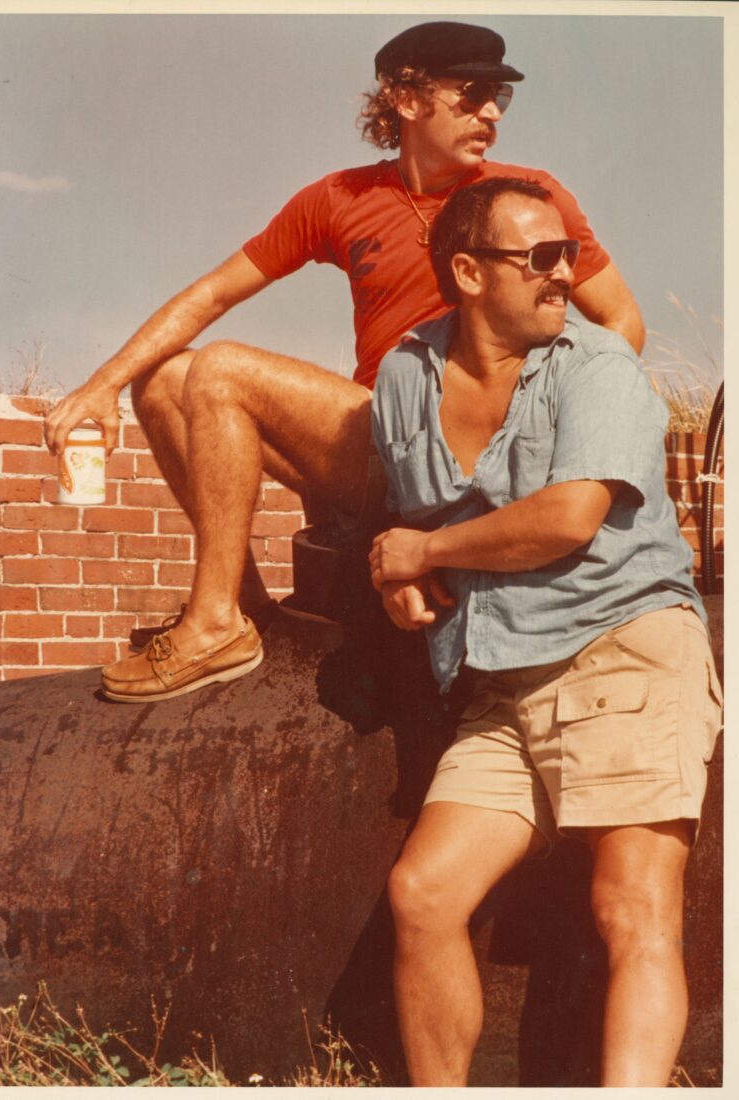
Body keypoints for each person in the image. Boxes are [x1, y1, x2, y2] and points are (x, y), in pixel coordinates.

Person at [43, 21, 644, 702]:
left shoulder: (527, 201)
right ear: (408, 98)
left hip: (478, 455)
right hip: (385, 442)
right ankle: (234, 611)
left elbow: (622, 320)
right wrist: (101, 386)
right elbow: (212, 293)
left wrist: (549, 435)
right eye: (473, 95)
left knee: (220, 369)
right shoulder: (341, 198)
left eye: (500, 99)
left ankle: (210, 623)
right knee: (163, 382)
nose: (491, 116)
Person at [367, 177, 722, 1087]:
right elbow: (416, 523)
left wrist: (425, 551)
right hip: (498, 678)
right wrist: (405, 579)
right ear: (467, 271)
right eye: (540, 257)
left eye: (568, 253)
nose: (567, 272)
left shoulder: (598, 363)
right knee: (423, 893)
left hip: (623, 648)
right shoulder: (405, 375)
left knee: (632, 909)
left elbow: (567, 517)